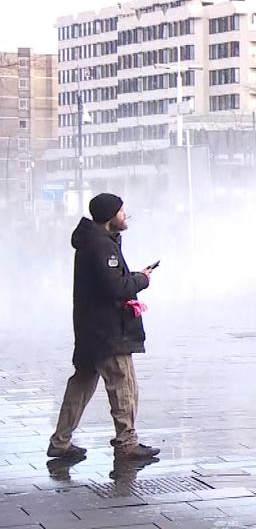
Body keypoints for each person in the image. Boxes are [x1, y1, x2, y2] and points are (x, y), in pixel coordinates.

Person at [48, 193, 161, 461]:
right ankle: (127, 443)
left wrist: (132, 277)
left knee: (82, 384)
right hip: (108, 331)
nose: (126, 215)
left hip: (91, 330)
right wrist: (141, 280)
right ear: (111, 216)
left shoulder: (95, 242)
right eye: (122, 211)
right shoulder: (102, 245)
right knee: (123, 385)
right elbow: (115, 288)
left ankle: (60, 441)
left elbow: (109, 281)